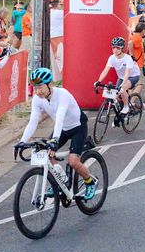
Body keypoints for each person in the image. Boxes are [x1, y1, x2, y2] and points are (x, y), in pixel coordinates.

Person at [17, 68, 98, 200]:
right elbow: (33, 121)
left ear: (49, 84)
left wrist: (54, 140)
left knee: (73, 161)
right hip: (63, 129)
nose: (37, 91)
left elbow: (60, 118)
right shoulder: (37, 99)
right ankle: (62, 180)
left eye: (40, 87)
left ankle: (90, 182)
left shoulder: (62, 94)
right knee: (45, 152)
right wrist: (22, 141)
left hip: (77, 127)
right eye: (35, 88)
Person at [95, 36, 142, 121]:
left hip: (133, 76)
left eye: (117, 48)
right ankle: (121, 110)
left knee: (122, 89)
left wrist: (123, 85)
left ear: (122, 48)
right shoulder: (112, 58)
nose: (115, 50)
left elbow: (127, 73)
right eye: (113, 47)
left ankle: (126, 107)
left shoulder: (127, 58)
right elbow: (105, 70)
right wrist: (98, 81)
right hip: (121, 77)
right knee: (115, 95)